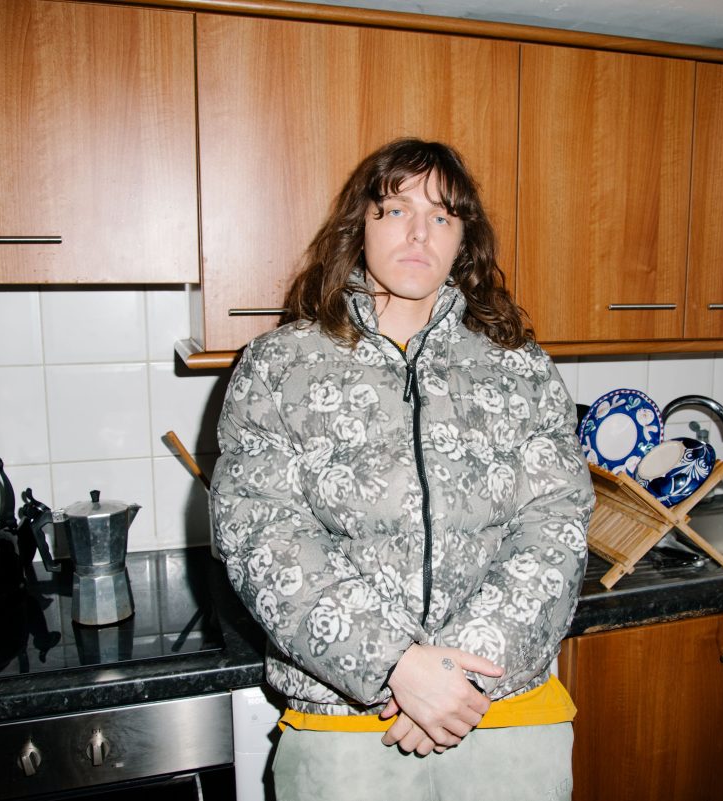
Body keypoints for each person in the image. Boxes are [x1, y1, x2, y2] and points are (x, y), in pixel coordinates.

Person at [210, 138, 594, 801]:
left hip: (505, 719)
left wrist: (457, 679)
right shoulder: (276, 366)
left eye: (442, 216)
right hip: (344, 730)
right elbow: (260, 536)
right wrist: (396, 668)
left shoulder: (519, 366)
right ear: (359, 225)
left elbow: (556, 525)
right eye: (396, 210)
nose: (420, 232)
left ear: (463, 239)